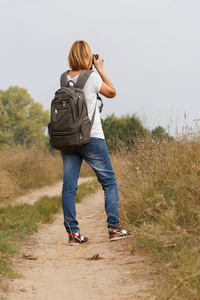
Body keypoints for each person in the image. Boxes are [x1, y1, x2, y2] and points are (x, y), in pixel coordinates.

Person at [61, 40, 131, 245]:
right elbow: (111, 92)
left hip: (69, 140)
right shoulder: (91, 77)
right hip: (92, 138)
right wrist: (99, 69)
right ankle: (113, 229)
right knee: (109, 183)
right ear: (88, 57)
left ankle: (73, 234)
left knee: (69, 187)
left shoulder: (64, 78)